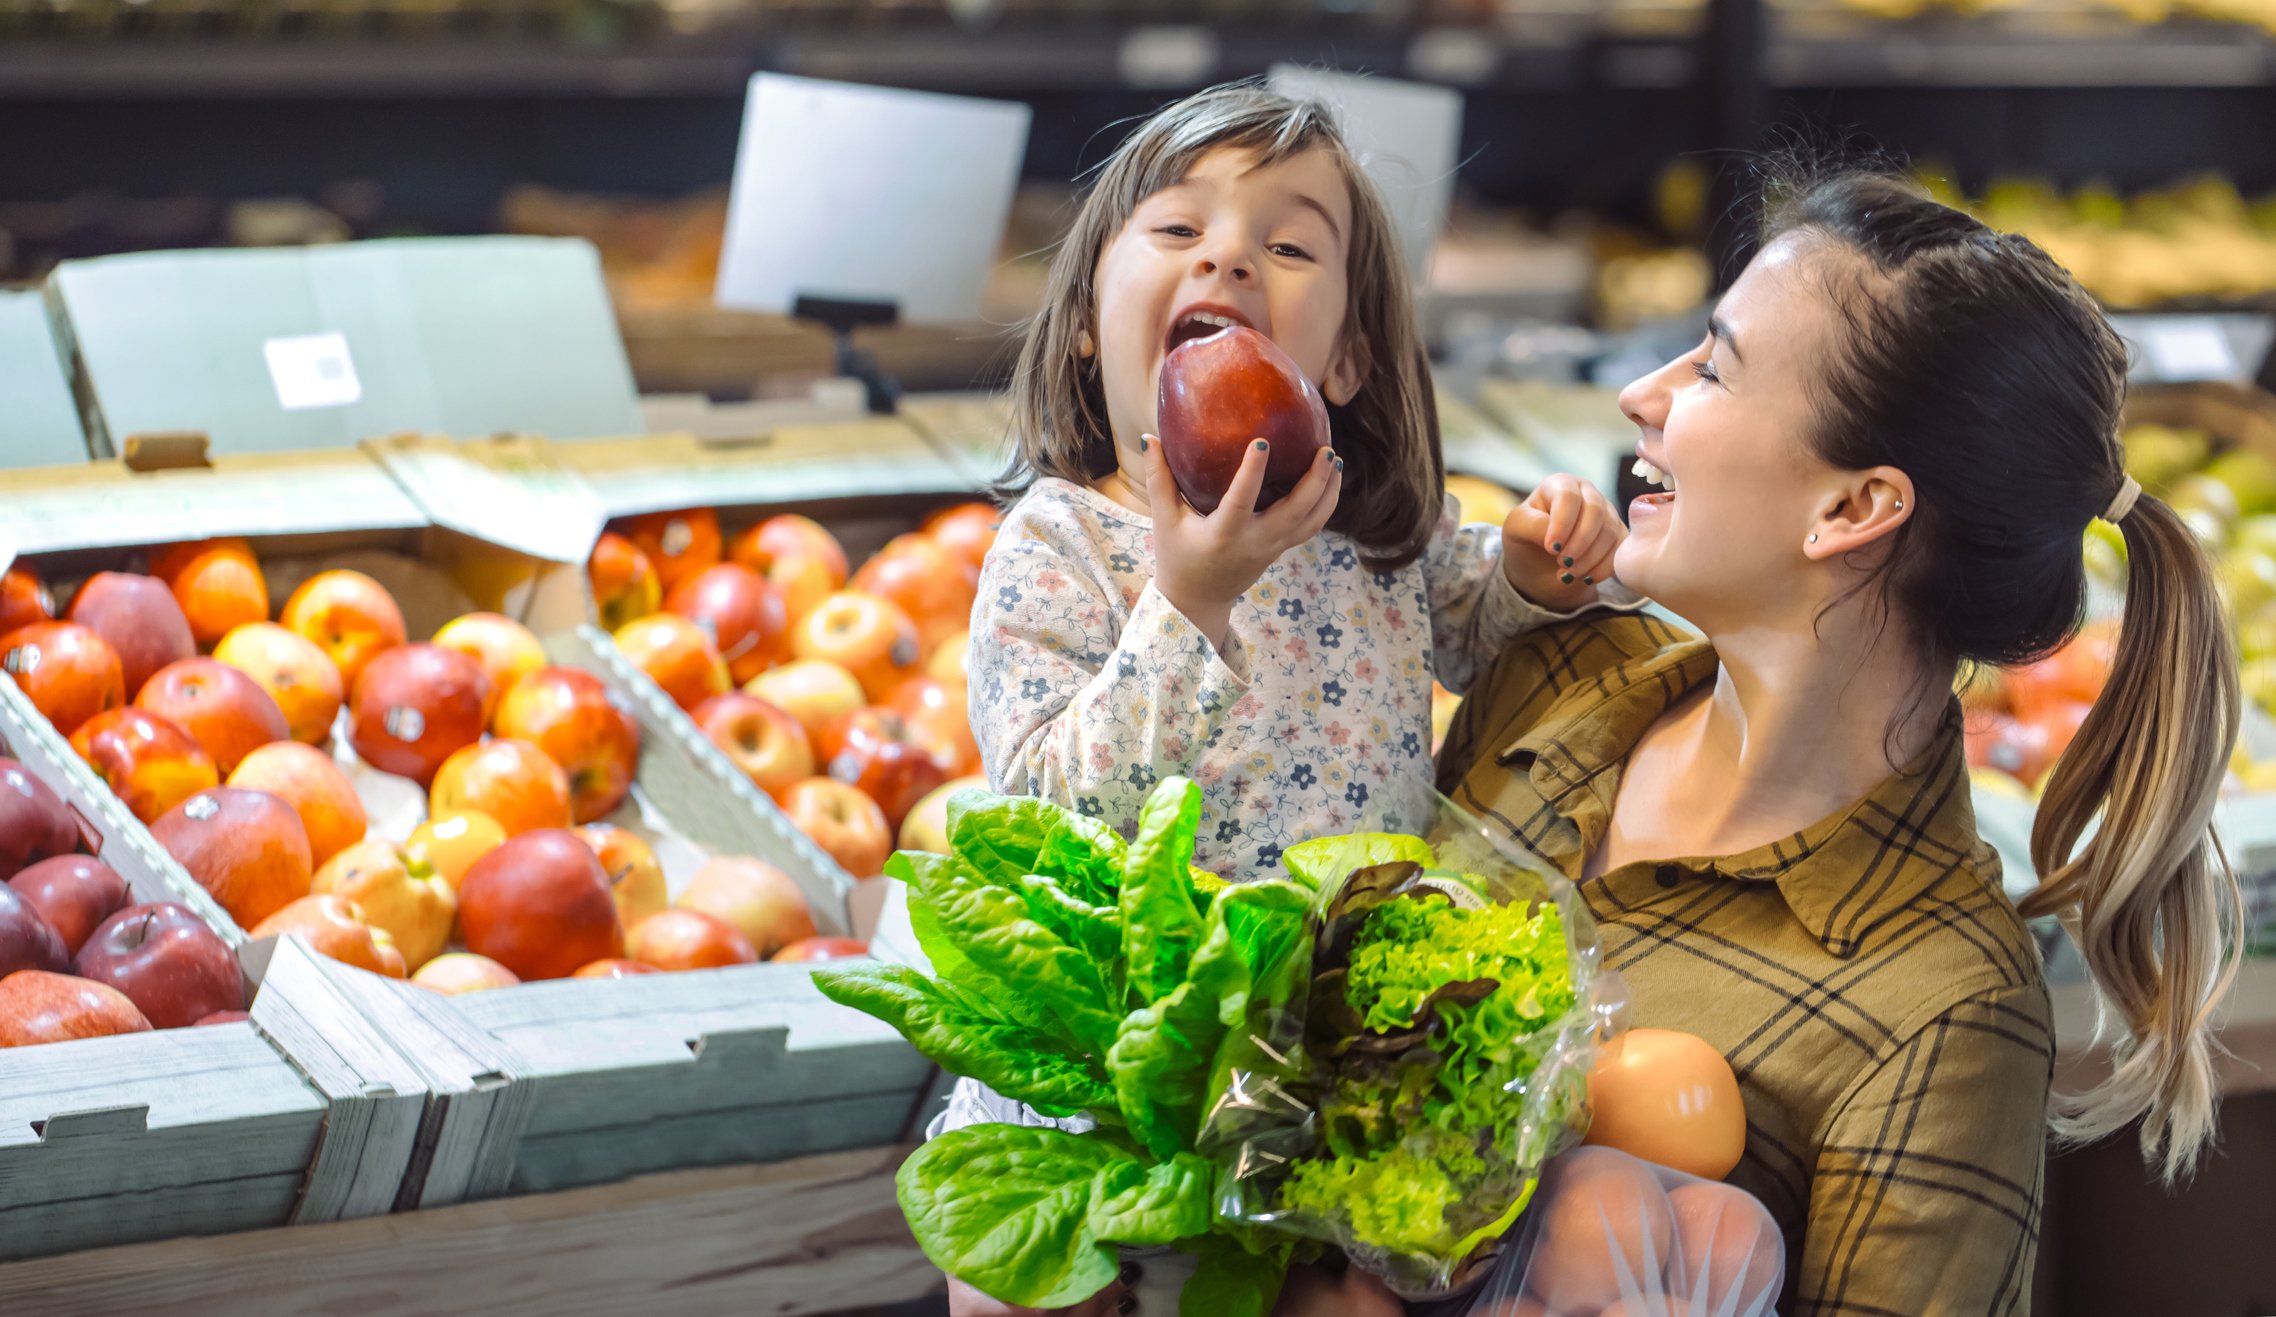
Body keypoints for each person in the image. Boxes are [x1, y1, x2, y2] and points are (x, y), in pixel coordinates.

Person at [1437, 170, 2244, 1315]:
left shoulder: (1940, 1014)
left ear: (1852, 510)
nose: (1640, 394)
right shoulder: (1552, 677)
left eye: (1710, 369)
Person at [943, 80, 1633, 1316]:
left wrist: (1536, 569)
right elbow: (1051, 810)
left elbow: (1477, 630)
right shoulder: (1059, 550)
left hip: (1323, 1082)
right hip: (1114, 1071)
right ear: (1090, 326)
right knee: (1015, 1291)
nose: (1227, 254)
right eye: (1175, 230)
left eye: (1290, 243)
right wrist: (1188, 601)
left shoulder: (1376, 540)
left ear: (1350, 361)